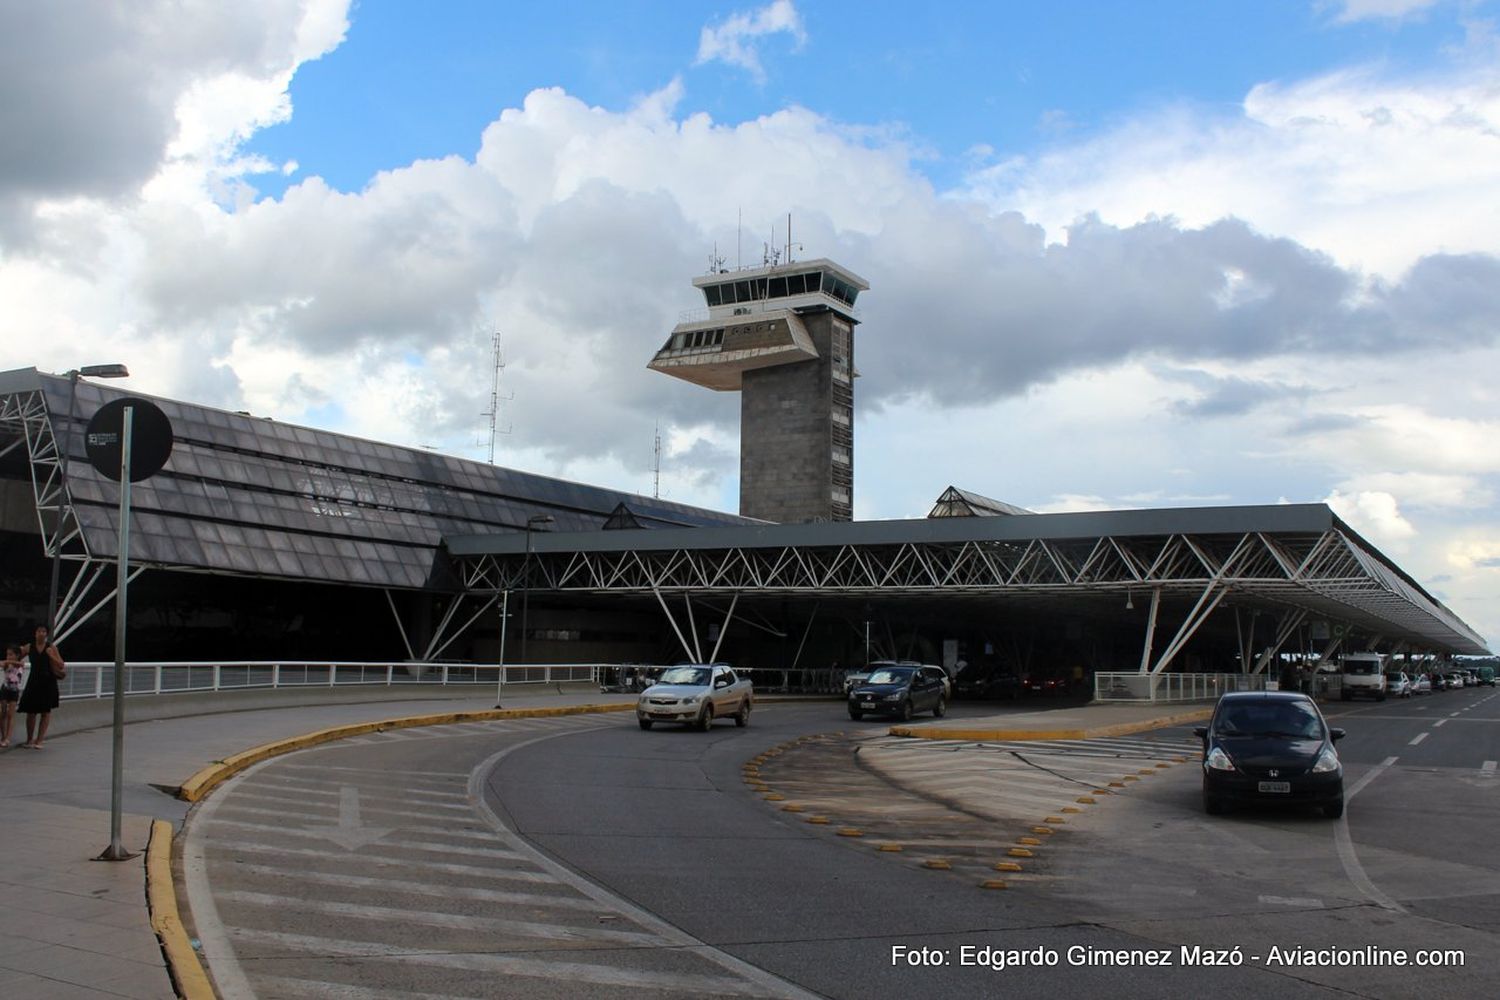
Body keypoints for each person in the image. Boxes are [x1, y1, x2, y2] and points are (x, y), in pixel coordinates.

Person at [18, 625, 65, 749]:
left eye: (44, 631)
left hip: (48, 681)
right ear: (35, 633)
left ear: (47, 634)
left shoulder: (51, 647)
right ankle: (29, 739)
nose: (41, 633)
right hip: (34, 680)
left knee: (45, 711)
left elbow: (61, 665)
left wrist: (51, 655)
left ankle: (39, 740)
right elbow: (17, 657)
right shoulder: (29, 647)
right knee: (30, 711)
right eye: (39, 631)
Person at [0, 644, 23, 747]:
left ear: (17, 655)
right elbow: (2, 664)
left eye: (11, 654)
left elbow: (20, 664)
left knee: (11, 714)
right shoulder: (6, 664)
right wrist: (7, 662)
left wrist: (9, 661)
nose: (8, 657)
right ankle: (3, 736)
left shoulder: (19, 664)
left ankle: (8, 738)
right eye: (7, 654)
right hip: (5, 689)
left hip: (14, 691)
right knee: (3, 712)